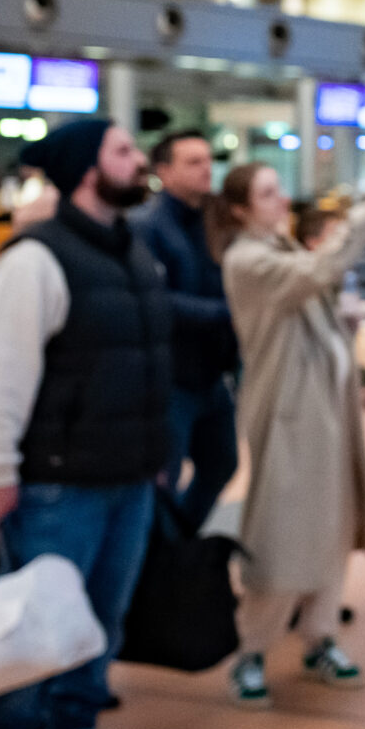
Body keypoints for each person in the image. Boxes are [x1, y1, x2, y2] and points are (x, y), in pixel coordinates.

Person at [0, 119, 172, 729]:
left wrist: (156, 451)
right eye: (122, 151)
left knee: (98, 620)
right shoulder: (34, 261)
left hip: (127, 473)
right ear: (85, 169)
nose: (138, 160)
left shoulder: (132, 253)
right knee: (29, 624)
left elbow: (142, 360)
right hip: (55, 480)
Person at [216, 163, 365, 707]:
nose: (280, 200)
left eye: (278, 190)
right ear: (239, 209)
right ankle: (252, 648)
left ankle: (320, 637)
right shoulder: (248, 260)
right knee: (283, 528)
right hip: (289, 414)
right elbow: (320, 272)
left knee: (333, 521)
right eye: (267, 193)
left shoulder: (279, 251)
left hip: (327, 408)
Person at [133, 129, 241, 531]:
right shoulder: (148, 226)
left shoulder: (214, 223)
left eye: (208, 160)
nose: (205, 169)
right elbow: (155, 300)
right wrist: (226, 313)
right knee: (163, 478)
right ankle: (162, 563)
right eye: (193, 162)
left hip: (213, 376)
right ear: (164, 171)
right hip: (171, 379)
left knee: (222, 463)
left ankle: (180, 544)